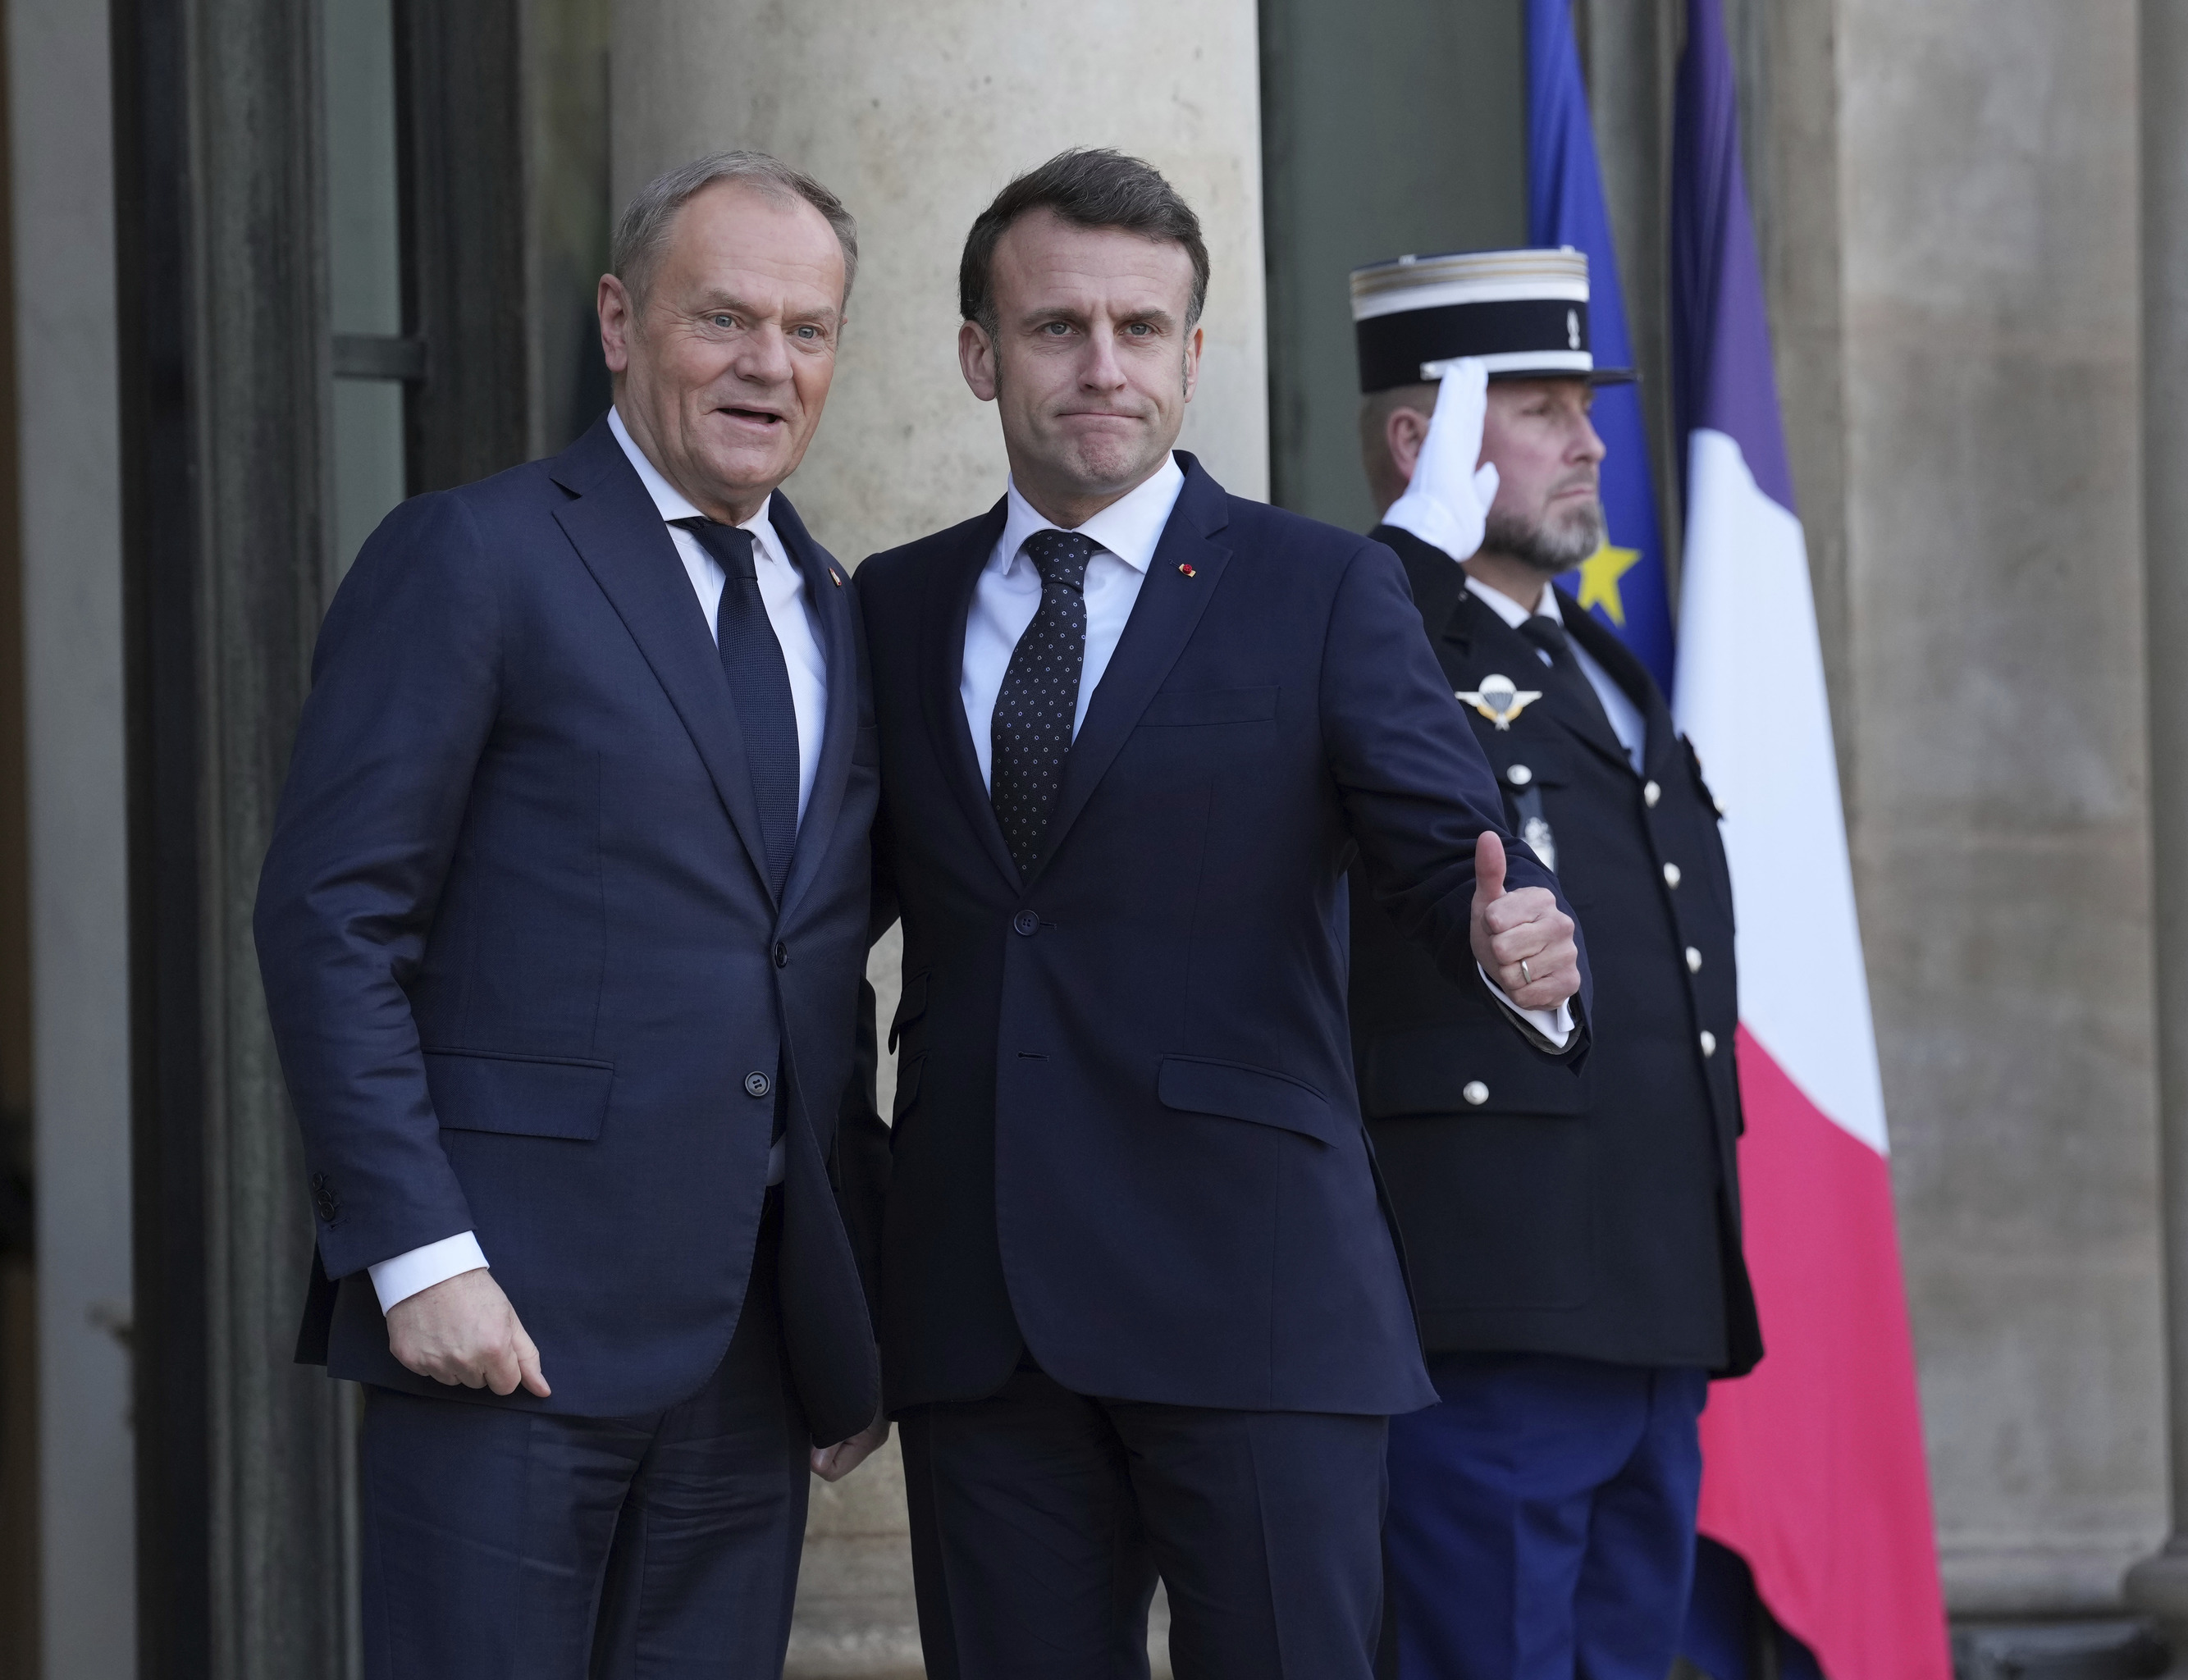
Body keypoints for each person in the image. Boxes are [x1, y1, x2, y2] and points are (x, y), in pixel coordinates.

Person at [849, 150, 1587, 1680]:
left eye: (1140, 327)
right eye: (1056, 327)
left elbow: (1438, 849)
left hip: (1253, 1298)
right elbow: (816, 918)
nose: (1100, 365)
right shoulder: (893, 605)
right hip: (978, 1305)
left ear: (1193, 355)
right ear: (981, 354)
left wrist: (1505, 948)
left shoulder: (1318, 589)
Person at [254, 151, 889, 1679]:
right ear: (618, 321)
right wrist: (417, 1255)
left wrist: (853, 1295)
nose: (766, 365)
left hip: (748, 1348)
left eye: (806, 331)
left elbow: (810, 969)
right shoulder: (473, 553)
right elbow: (329, 914)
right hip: (506, 1330)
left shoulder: (836, 608)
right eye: (722, 317)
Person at [1345, 247, 1763, 1680]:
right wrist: (1405, 559)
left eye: (1585, 405)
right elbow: (1299, 744)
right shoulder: (1376, 632)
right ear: (1424, 441)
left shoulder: (1592, 655)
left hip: (1648, 1292)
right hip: (1496, 1301)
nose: (1591, 441)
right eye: (1541, 407)